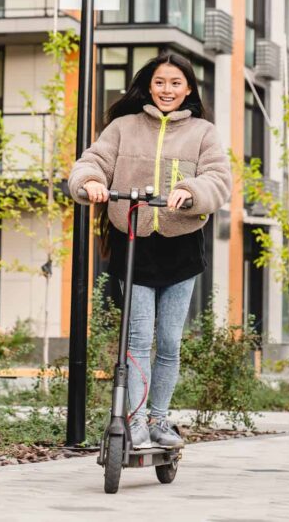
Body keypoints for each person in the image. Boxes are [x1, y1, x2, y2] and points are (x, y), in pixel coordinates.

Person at [69, 53, 232, 450]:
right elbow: (92, 162)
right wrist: (91, 182)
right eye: (160, 82)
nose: (167, 90)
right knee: (139, 338)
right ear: (149, 86)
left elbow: (218, 179)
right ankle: (137, 420)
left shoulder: (203, 133)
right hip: (134, 244)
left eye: (175, 83)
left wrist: (190, 191)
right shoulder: (123, 128)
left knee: (170, 342)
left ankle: (159, 419)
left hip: (182, 248)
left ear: (188, 89)